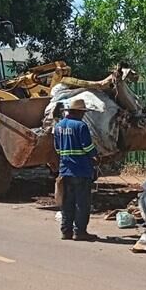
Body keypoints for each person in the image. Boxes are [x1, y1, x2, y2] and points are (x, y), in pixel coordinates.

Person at [54, 98, 98, 241]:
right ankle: (79, 232)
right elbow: (87, 147)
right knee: (82, 203)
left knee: (67, 202)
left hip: (65, 170)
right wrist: (95, 156)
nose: (83, 115)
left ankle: (65, 231)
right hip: (81, 170)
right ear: (78, 112)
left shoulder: (59, 126)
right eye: (83, 112)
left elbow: (57, 148)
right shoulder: (81, 126)